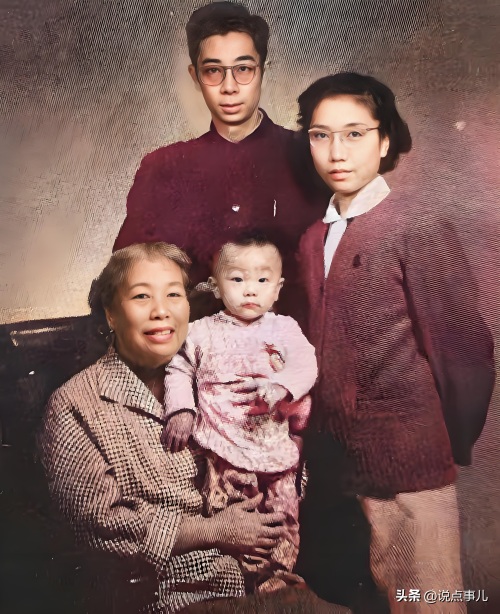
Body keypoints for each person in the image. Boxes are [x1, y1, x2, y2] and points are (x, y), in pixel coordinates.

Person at [296, 73, 495, 612]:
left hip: (410, 467)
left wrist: (437, 443)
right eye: (320, 135)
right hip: (335, 470)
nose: (336, 151)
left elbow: (466, 353)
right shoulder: (313, 238)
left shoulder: (418, 224)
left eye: (354, 134)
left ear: (384, 141)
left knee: (428, 602)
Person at [39, 242, 290, 614]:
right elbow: (100, 527)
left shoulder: (218, 377)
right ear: (111, 314)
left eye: (173, 294)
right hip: (170, 600)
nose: (161, 311)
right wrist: (215, 531)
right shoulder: (75, 405)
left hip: (263, 583)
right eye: (141, 296)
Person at [112, 1, 324, 320]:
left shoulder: (309, 156)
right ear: (195, 76)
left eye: (243, 69)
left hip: (295, 341)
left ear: (263, 71)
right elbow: (128, 277)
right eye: (213, 71)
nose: (229, 87)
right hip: (191, 341)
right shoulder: (164, 168)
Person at [161, 236, 318, 593]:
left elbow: (306, 364)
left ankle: (277, 577)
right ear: (216, 287)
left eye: (262, 280)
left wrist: (283, 385)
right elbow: (179, 369)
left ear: (277, 289)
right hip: (223, 445)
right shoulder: (201, 332)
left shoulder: (284, 328)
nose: (250, 290)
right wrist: (181, 409)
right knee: (231, 514)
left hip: (273, 445)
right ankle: (240, 581)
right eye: (237, 279)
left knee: (283, 513)